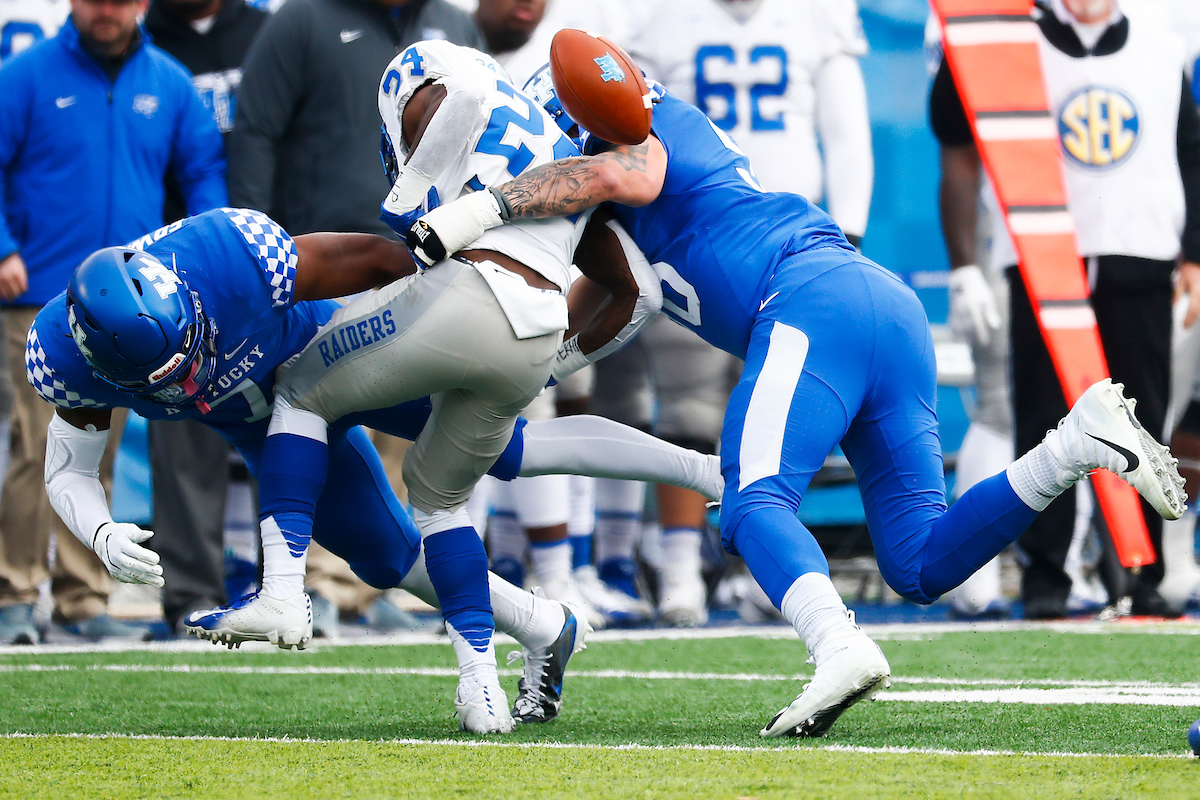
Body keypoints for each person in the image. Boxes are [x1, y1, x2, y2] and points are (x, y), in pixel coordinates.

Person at [404, 63, 1187, 738]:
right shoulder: (629, 186)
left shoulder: (641, 138)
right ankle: (1073, 445)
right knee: (917, 561)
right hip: (876, 307)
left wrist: (492, 211)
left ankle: (838, 646)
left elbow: (615, 189)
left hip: (809, 297)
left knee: (750, 500)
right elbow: (630, 291)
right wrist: (540, 363)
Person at [29, 207, 719, 725]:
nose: (192, 380)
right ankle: (542, 622)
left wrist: (456, 323)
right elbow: (68, 470)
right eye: (166, 377)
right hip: (260, 425)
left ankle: (708, 472)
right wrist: (100, 533)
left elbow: (378, 260)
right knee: (386, 557)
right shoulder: (63, 359)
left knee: (509, 449)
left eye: (193, 351)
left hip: (333, 356)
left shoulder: (231, 255)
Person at [930, 0, 1200, 619]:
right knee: (1043, 421)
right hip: (1044, 256)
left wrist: (1193, 253)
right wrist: (964, 264)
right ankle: (1046, 574)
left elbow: (1190, 151)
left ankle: (1142, 572)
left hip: (1139, 253)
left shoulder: (1160, 46)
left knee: (1145, 414)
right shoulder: (1010, 39)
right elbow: (953, 130)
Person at [227, 0, 486, 635]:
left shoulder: (456, 25)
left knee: (412, 429)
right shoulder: (300, 20)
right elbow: (255, 132)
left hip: (426, 255)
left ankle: (376, 588)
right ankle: (314, 582)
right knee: (321, 414)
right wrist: (254, 254)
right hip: (322, 263)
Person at [0, 0, 226, 644]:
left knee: (92, 452)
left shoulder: (169, 82)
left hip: (129, 311)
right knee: (36, 448)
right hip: (40, 297)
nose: (107, 9)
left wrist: (204, 252)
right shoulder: (24, 75)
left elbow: (203, 172)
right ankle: (15, 593)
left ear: (142, 4)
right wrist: (3, 248)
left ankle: (82, 598)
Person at [144, 0, 269, 636]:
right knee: (182, 431)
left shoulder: (268, 33)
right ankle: (191, 595)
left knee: (286, 424)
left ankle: (288, 586)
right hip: (165, 273)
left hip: (266, 258)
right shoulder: (143, 47)